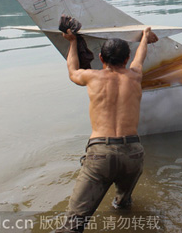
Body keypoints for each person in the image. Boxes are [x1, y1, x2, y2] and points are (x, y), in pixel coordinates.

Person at [57, 27, 158, 233]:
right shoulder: (135, 76)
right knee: (123, 205)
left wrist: (73, 42)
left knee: (73, 225)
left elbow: (72, 70)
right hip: (133, 152)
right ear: (127, 58)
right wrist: (145, 38)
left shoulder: (91, 77)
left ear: (101, 58)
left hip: (100, 154)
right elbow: (141, 56)